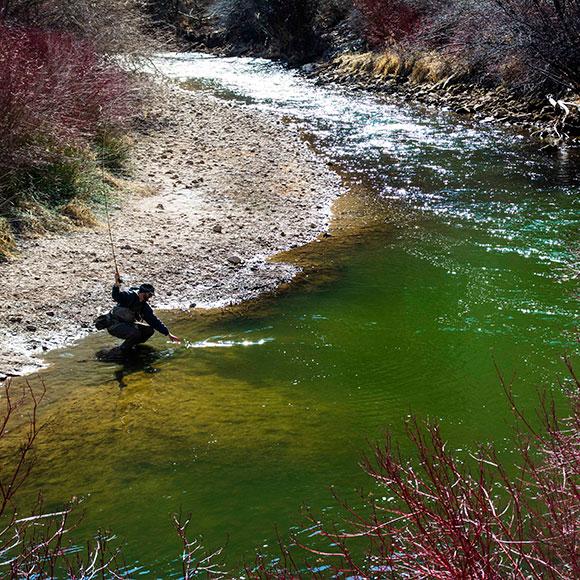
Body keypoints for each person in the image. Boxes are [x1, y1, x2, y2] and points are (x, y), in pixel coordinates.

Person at [107, 272, 181, 355]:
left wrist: (168, 333)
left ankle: (131, 345)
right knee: (135, 333)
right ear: (143, 293)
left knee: (149, 330)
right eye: (149, 295)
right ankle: (122, 350)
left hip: (126, 324)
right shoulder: (129, 296)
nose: (150, 297)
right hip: (114, 325)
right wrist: (116, 285)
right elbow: (116, 296)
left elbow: (153, 320)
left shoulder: (144, 306)